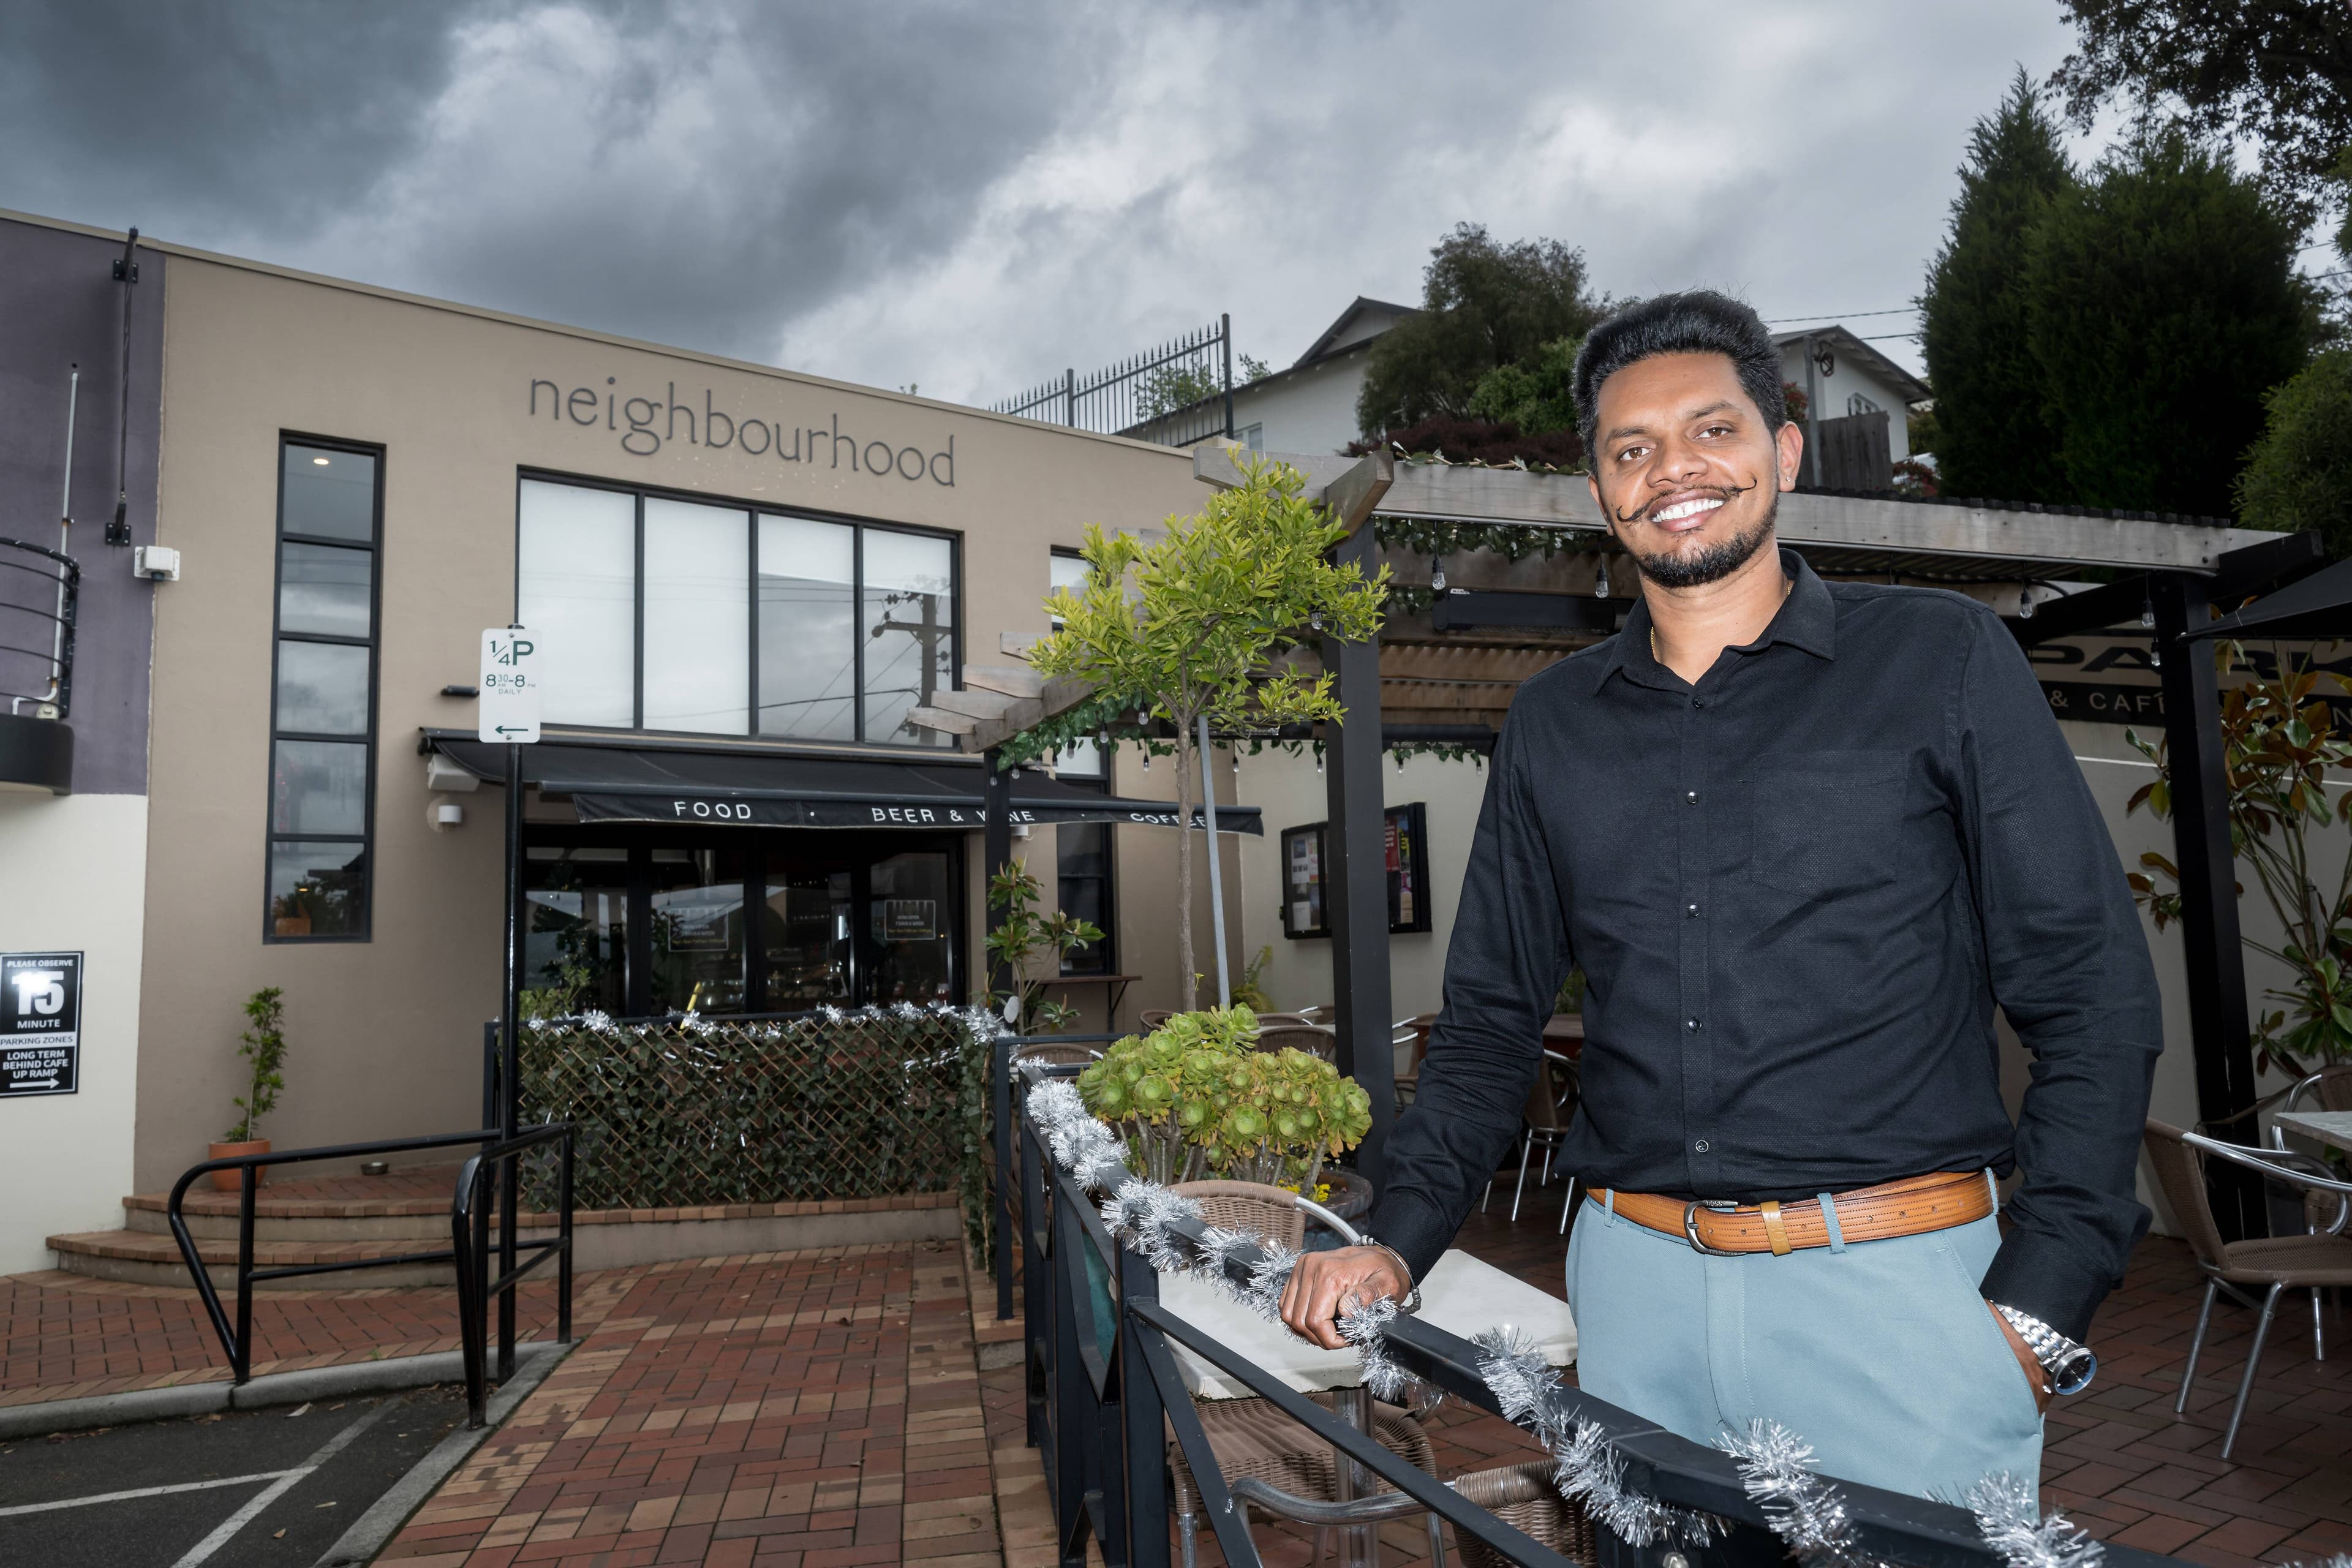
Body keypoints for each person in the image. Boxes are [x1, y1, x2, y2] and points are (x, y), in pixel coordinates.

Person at [1280, 290, 2159, 1499]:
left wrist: (2046, 1298)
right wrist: (1394, 1236)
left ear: (1783, 452)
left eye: (1712, 429)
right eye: (1630, 448)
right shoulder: (1553, 724)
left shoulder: (1944, 658)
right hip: (1635, 1300)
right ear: (1601, 489)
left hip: (1903, 1298)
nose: (1672, 470)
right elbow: (1488, 1020)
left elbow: (2092, 992)